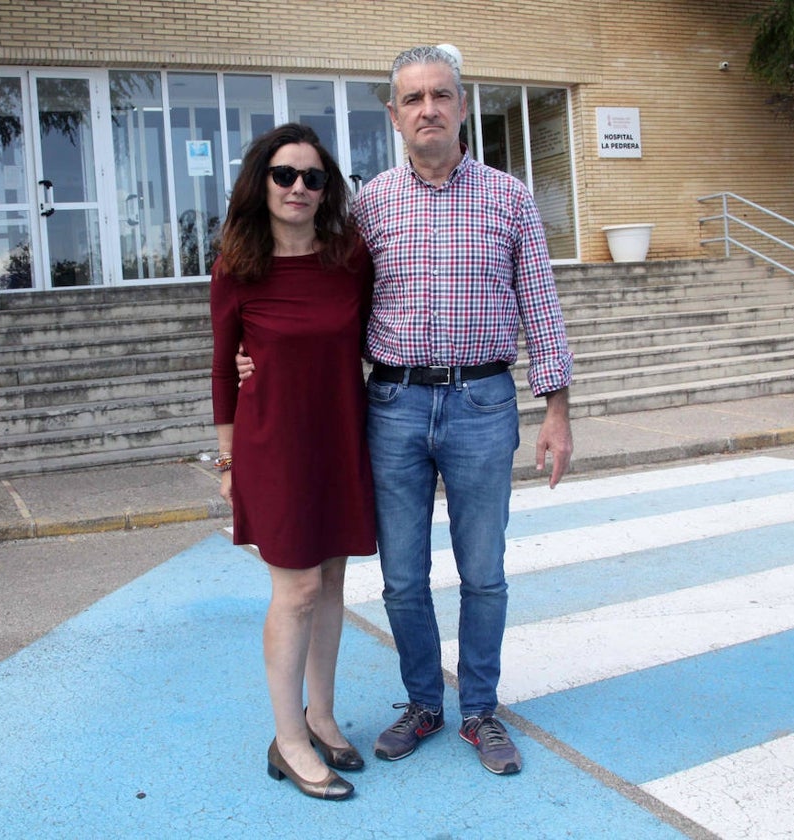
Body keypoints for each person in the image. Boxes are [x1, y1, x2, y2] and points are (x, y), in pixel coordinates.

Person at [239, 45, 573, 776]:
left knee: (484, 571)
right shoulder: (369, 206)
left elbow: (541, 305)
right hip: (390, 403)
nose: (428, 108)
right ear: (393, 115)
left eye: (441, 95)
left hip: (484, 401)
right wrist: (258, 354)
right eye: (413, 98)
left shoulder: (510, 198)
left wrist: (557, 408)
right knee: (401, 577)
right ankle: (424, 701)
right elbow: (327, 303)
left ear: (462, 106)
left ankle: (479, 709)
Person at [210, 123, 377, 801]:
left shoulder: (349, 259)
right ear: (262, 183)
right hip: (273, 447)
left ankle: (323, 714)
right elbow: (224, 370)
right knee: (298, 589)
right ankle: (288, 740)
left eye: (313, 177)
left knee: (333, 583)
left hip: (339, 437)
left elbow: (370, 337)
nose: (299, 188)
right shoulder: (237, 268)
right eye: (285, 175)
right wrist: (227, 466)